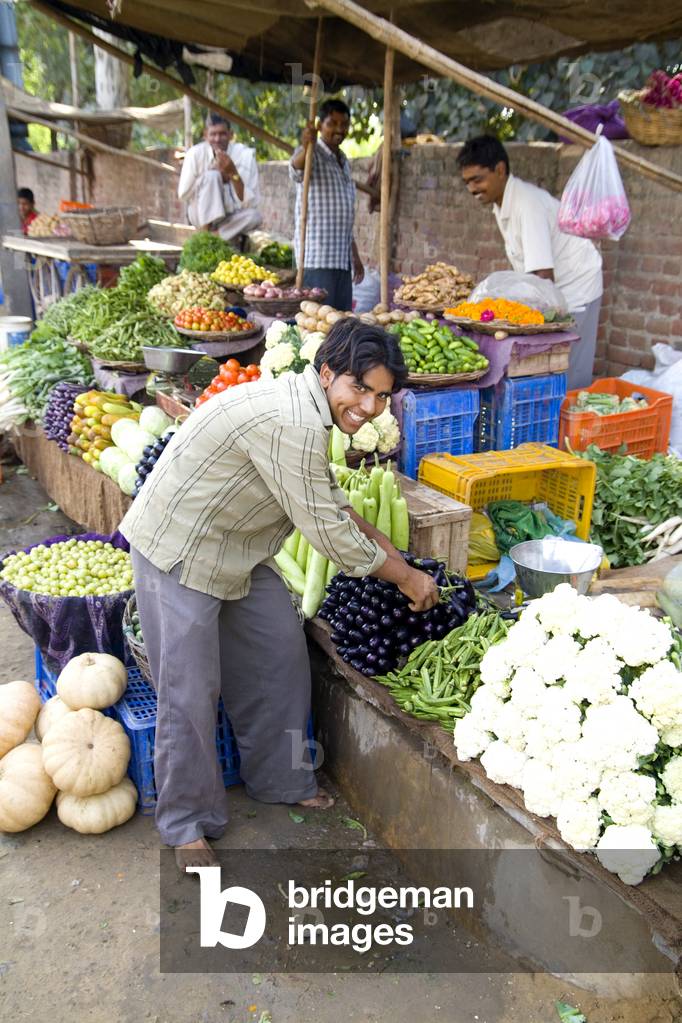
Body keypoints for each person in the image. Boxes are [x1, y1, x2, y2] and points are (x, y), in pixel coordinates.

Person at [119, 318, 439, 871]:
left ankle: (281, 779)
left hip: (237, 546)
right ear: (328, 372)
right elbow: (329, 533)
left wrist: (391, 548)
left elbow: (330, 501)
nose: (368, 406)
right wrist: (406, 577)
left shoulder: (309, 411)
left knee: (279, 653)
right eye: (359, 388)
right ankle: (185, 825)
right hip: (179, 549)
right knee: (190, 689)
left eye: (382, 396)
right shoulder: (292, 419)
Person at [458, 136, 603, 389]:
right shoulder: (502, 202)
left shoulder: (527, 203)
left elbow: (543, 277)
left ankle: (574, 423)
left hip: (577, 286)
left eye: (477, 179)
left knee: (569, 372)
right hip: (553, 287)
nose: (472, 189)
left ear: (500, 170)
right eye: (467, 182)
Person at [290, 98, 364, 311]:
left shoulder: (343, 160)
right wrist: (306, 146)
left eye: (344, 124)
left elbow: (344, 215)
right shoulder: (312, 153)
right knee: (317, 324)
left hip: (341, 259)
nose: (339, 130)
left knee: (340, 322)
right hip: (317, 259)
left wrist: (355, 255)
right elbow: (296, 168)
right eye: (332, 124)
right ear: (320, 125)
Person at [178, 113, 262, 244]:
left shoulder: (244, 155)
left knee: (255, 217)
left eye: (222, 134)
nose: (217, 139)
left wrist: (232, 174)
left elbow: (250, 203)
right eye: (213, 134)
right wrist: (208, 179)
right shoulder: (195, 154)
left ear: (231, 135)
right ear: (205, 135)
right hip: (200, 216)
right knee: (212, 176)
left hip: (230, 217)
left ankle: (211, 237)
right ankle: (207, 231)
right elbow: (183, 195)